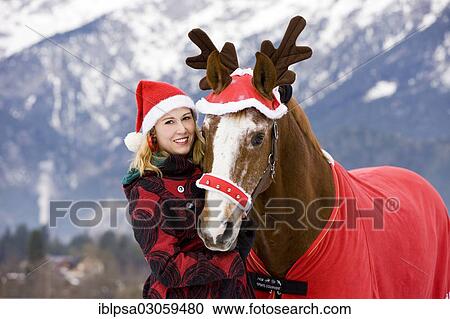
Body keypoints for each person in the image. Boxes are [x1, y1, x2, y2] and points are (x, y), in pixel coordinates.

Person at [122, 80, 255, 298]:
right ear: (152, 134)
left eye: (186, 118)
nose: (182, 129)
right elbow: (168, 269)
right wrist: (233, 260)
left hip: (235, 295)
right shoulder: (147, 189)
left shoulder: (209, 171)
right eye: (169, 122)